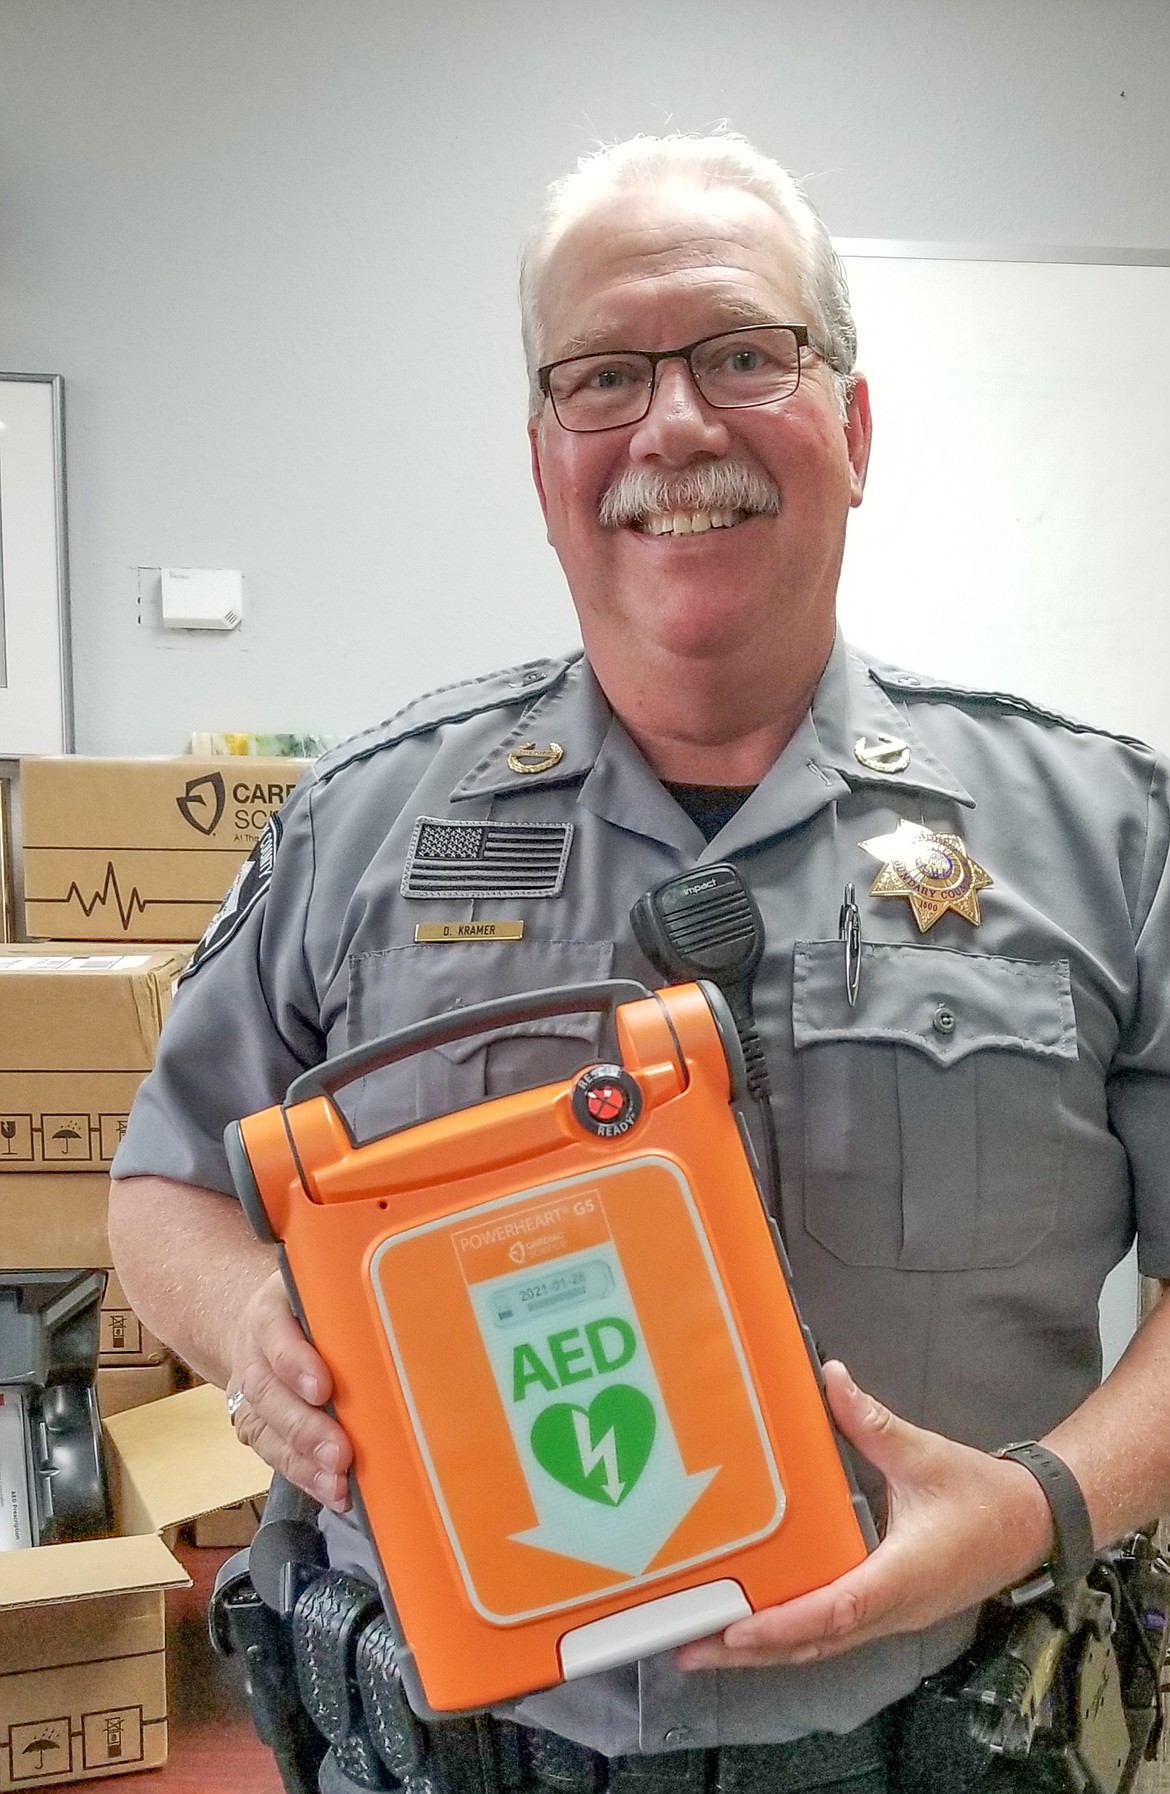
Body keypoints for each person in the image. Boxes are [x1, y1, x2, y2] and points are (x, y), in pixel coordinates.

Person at [108, 131, 1170, 1794]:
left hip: (953, 1742)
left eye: (745, 354)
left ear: (852, 426)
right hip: (455, 1749)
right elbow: (161, 1184)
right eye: (602, 375)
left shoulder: (1107, 834)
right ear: (543, 460)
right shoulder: (357, 826)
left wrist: (1043, 1502)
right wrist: (256, 1327)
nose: (673, 425)